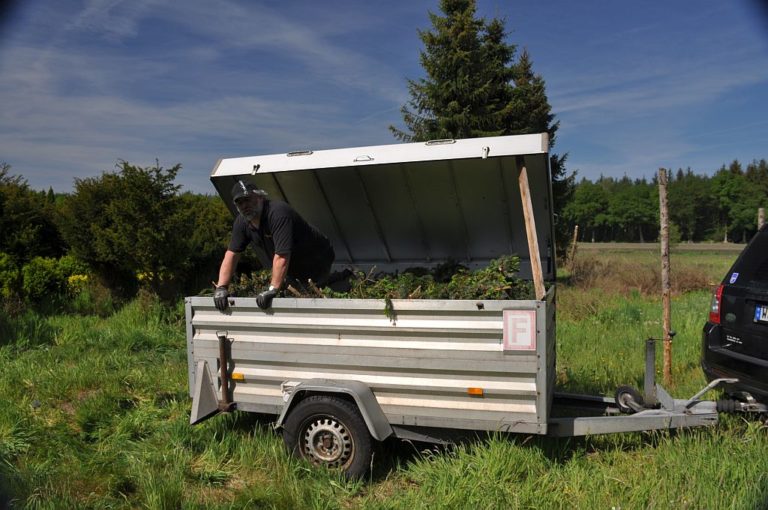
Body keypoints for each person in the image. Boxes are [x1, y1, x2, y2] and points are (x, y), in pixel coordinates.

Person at [214, 180, 334, 311]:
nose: (244, 205)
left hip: (317, 259)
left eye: (248, 199)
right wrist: (221, 287)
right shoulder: (242, 223)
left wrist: (272, 289)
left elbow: (282, 255)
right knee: (290, 292)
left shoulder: (278, 213)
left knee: (315, 299)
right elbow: (231, 254)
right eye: (240, 202)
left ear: (260, 197)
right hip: (292, 267)